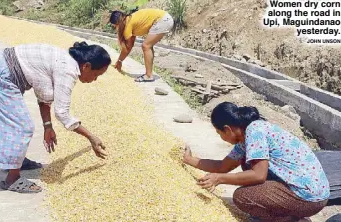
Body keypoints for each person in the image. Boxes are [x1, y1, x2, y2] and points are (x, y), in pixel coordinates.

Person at [0, 41, 111, 193]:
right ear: (86, 66)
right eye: (96, 74)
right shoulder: (68, 70)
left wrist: (48, 126)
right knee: (21, 126)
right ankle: (12, 179)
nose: (94, 79)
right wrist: (91, 137)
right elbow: (62, 113)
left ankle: (15, 161)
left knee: (14, 122)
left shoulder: (66, 60)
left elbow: (44, 98)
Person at [183, 102, 330, 221]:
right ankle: (292, 215)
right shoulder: (243, 138)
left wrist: (219, 179)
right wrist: (190, 160)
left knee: (243, 197)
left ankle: (289, 220)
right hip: (308, 191)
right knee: (247, 164)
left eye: (219, 133)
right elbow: (222, 166)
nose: (220, 136)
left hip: (310, 197)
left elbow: (259, 175)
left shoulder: (255, 131)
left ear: (227, 129)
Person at [109, 8, 174, 82]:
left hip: (162, 20)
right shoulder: (129, 20)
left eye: (115, 26)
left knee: (146, 46)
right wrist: (120, 61)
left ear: (118, 23)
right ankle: (149, 74)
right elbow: (130, 45)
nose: (116, 28)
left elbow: (128, 47)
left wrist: (119, 62)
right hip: (164, 18)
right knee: (148, 46)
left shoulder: (127, 25)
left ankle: (148, 76)